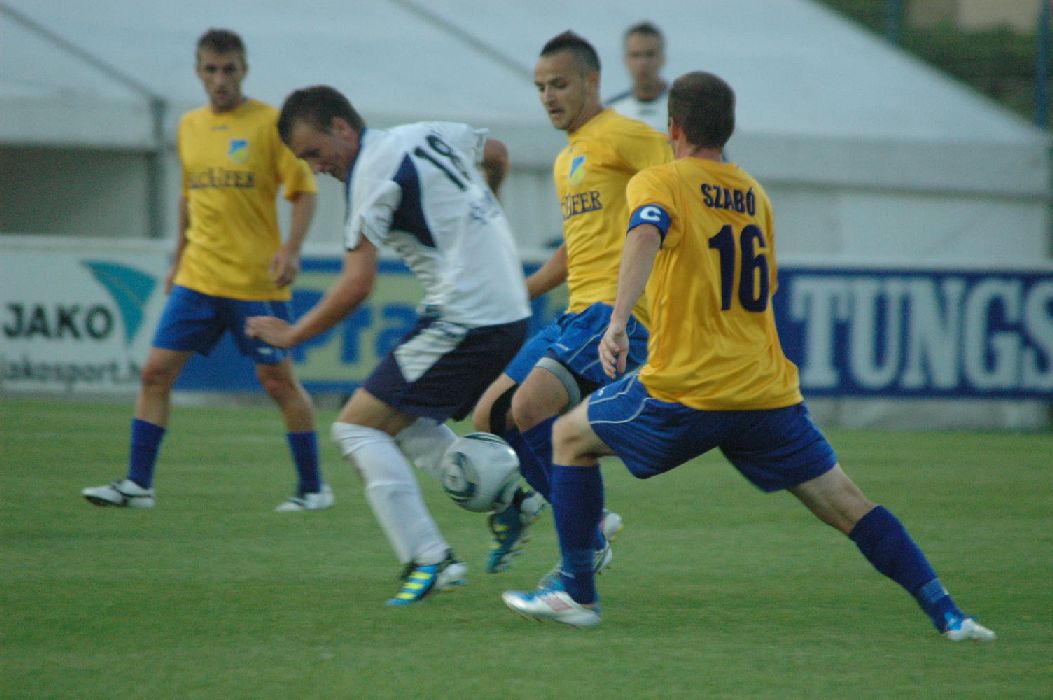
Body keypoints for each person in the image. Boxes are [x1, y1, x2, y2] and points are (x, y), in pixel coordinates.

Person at [502, 71, 997, 642]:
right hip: (764, 391)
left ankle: (577, 593)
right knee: (846, 503)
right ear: (728, 128)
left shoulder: (660, 180)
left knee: (568, 437)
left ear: (674, 128)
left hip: (689, 386)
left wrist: (617, 322)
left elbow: (644, 234)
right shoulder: (754, 194)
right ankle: (949, 614)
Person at [246, 85, 532, 605]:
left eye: (315, 152)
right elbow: (497, 154)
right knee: (402, 422)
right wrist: (484, 209)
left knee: (355, 430)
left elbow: (357, 285)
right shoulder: (424, 132)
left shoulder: (371, 176)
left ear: (341, 127)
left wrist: (292, 335)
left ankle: (430, 559)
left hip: (467, 316)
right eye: (305, 160)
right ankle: (510, 498)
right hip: (504, 309)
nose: (315, 168)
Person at [82, 28, 330, 512]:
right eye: (211, 70)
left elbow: (303, 191)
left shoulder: (269, 124)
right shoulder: (189, 126)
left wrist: (292, 249)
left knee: (277, 382)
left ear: (244, 70)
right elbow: (188, 198)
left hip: (253, 281)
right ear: (198, 72)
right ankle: (138, 484)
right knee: (155, 373)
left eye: (229, 69)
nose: (220, 79)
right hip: (197, 278)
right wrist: (178, 260)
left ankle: (313, 489)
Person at [470, 31, 671, 576]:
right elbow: (574, 248)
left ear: (592, 81)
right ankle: (590, 522)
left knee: (530, 406)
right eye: (540, 87)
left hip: (615, 313)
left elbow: (683, 189)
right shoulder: (567, 159)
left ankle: (580, 550)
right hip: (575, 313)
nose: (548, 97)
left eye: (558, 84)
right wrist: (520, 291)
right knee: (490, 416)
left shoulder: (627, 135)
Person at [605, 22, 668, 133]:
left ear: (663, 59)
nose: (643, 63)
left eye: (649, 54)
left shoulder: (685, 109)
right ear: (625, 60)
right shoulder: (610, 112)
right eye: (635, 55)